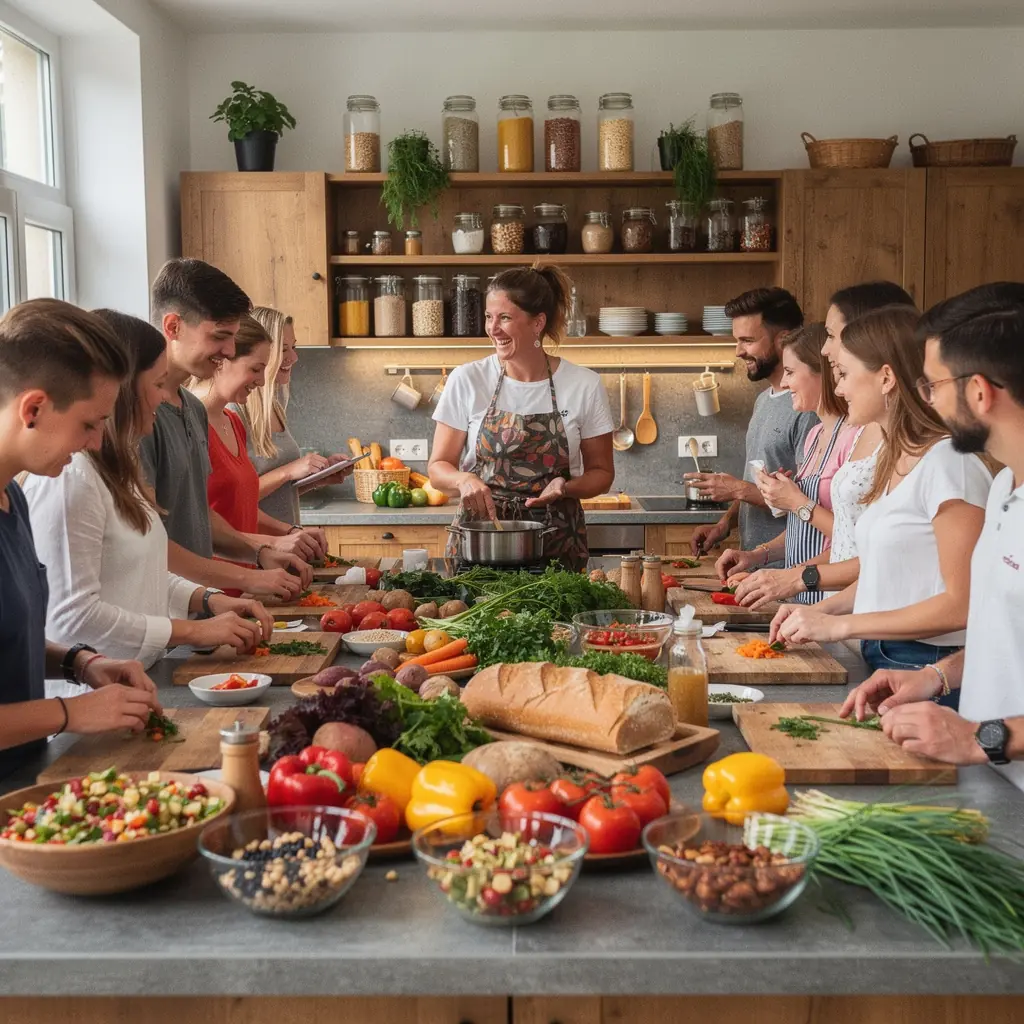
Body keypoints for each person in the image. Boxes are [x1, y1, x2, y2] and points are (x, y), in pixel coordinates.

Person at [23, 310, 273, 684]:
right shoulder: (70, 477)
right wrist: (190, 631)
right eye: (158, 384)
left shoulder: (118, 468)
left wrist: (208, 599)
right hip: (92, 703)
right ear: (122, 388)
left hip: (138, 684)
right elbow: (72, 617)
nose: (165, 398)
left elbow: (142, 570)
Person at [841, 285, 1024, 787]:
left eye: (932, 385)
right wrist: (933, 677)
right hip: (994, 780)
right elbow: (1003, 635)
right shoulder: (1007, 484)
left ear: (979, 392)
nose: (927, 399)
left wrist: (980, 738)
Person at [770, 305, 992, 682]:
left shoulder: (950, 464)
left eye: (844, 374)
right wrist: (823, 612)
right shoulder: (893, 459)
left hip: (925, 662)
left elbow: (962, 605)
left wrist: (842, 626)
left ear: (886, 377)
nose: (837, 388)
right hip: (887, 654)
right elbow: (883, 579)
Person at [0, 299, 161, 778]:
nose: (95, 442)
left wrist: (80, 662)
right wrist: (71, 713)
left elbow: (12, 638)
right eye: (89, 424)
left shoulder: (14, 496)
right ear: (34, 408)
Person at [730, 282, 919, 605]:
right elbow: (860, 547)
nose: (826, 349)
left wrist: (797, 577)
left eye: (832, 337)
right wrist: (763, 560)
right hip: (832, 605)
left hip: (854, 613)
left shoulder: (916, 450)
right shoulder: (834, 433)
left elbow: (883, 558)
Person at [140, 258, 311, 600]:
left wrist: (259, 554)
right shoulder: (140, 415)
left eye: (233, 338)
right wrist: (244, 579)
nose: (230, 351)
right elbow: (148, 540)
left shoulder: (190, 410)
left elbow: (201, 515)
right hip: (164, 614)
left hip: (202, 608)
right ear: (173, 327)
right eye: (220, 337)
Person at [428, 265, 615, 571]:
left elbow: (602, 473)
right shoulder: (467, 379)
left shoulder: (584, 384)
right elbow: (437, 468)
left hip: (556, 545)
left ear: (537, 322)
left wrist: (564, 487)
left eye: (505, 318)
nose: (492, 328)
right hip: (481, 545)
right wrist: (463, 479)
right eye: (489, 317)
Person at [715, 324, 858, 606]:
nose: (784, 384)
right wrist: (757, 557)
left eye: (791, 373)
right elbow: (803, 529)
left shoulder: (853, 439)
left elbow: (852, 542)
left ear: (824, 374)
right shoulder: (816, 436)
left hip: (831, 599)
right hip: (801, 597)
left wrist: (796, 503)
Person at [687, 288, 817, 564]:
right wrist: (724, 524)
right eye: (737, 340)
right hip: (756, 566)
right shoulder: (763, 402)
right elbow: (761, 480)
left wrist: (737, 489)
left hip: (791, 569)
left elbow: (809, 501)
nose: (738, 351)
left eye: (747, 340)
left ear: (783, 339)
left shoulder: (808, 409)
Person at [190, 315, 326, 572]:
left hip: (247, 579)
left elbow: (242, 507)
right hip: (211, 586)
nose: (263, 381)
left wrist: (290, 533)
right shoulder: (189, 422)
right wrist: (273, 544)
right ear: (222, 361)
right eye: (255, 369)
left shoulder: (232, 422)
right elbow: (195, 524)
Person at [238, 306, 353, 527]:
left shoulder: (274, 408)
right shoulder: (235, 412)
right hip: (255, 548)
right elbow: (232, 501)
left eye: (294, 347)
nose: (294, 357)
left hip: (285, 546)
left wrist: (318, 478)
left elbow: (279, 496)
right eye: (283, 349)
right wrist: (288, 471)